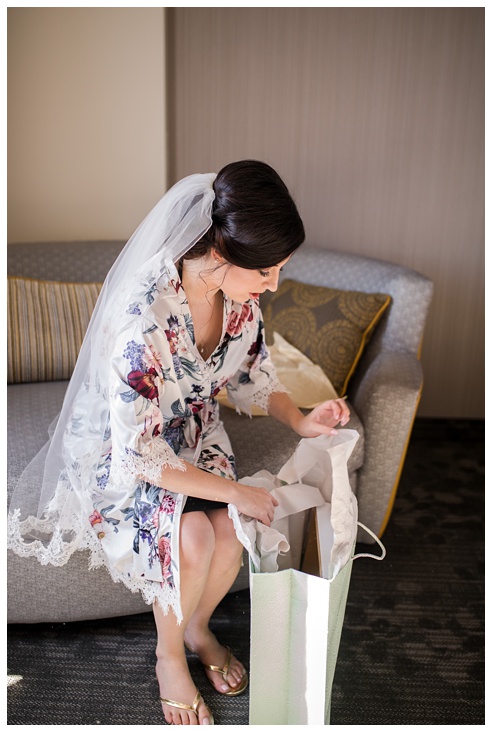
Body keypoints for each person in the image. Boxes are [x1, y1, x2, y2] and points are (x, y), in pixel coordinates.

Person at [9, 160, 352, 725]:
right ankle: (169, 655)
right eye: (266, 272)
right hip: (129, 455)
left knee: (228, 533)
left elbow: (253, 375)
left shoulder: (239, 299)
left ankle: (196, 625)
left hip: (194, 434)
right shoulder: (142, 317)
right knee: (194, 535)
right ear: (219, 256)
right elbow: (139, 453)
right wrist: (235, 491)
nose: (273, 285)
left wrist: (302, 420)